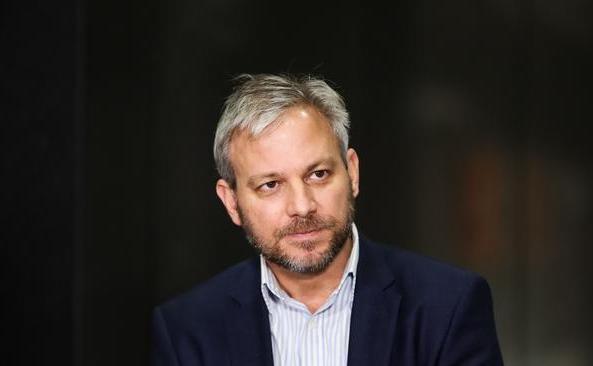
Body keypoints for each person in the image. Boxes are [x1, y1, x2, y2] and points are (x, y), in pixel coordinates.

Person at [152, 74, 504, 366]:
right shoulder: (187, 329)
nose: (302, 206)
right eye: (271, 185)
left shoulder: (447, 307)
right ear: (231, 202)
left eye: (318, 174)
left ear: (351, 172)